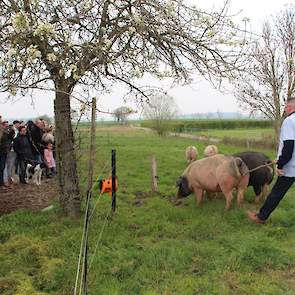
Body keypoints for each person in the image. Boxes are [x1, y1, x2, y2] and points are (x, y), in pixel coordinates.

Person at [247, 97, 295, 224]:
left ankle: (260, 217)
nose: (285, 109)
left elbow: (289, 146)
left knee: (277, 192)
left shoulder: (289, 121)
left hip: (291, 167)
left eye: (285, 107)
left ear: (290, 107)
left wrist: (280, 164)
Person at [4, 120, 20, 186]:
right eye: (18, 124)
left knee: (10, 166)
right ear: (15, 124)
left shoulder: (16, 130)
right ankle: (7, 180)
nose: (19, 125)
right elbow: (12, 140)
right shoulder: (12, 130)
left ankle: (9, 179)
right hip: (10, 150)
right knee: (8, 166)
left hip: (12, 150)